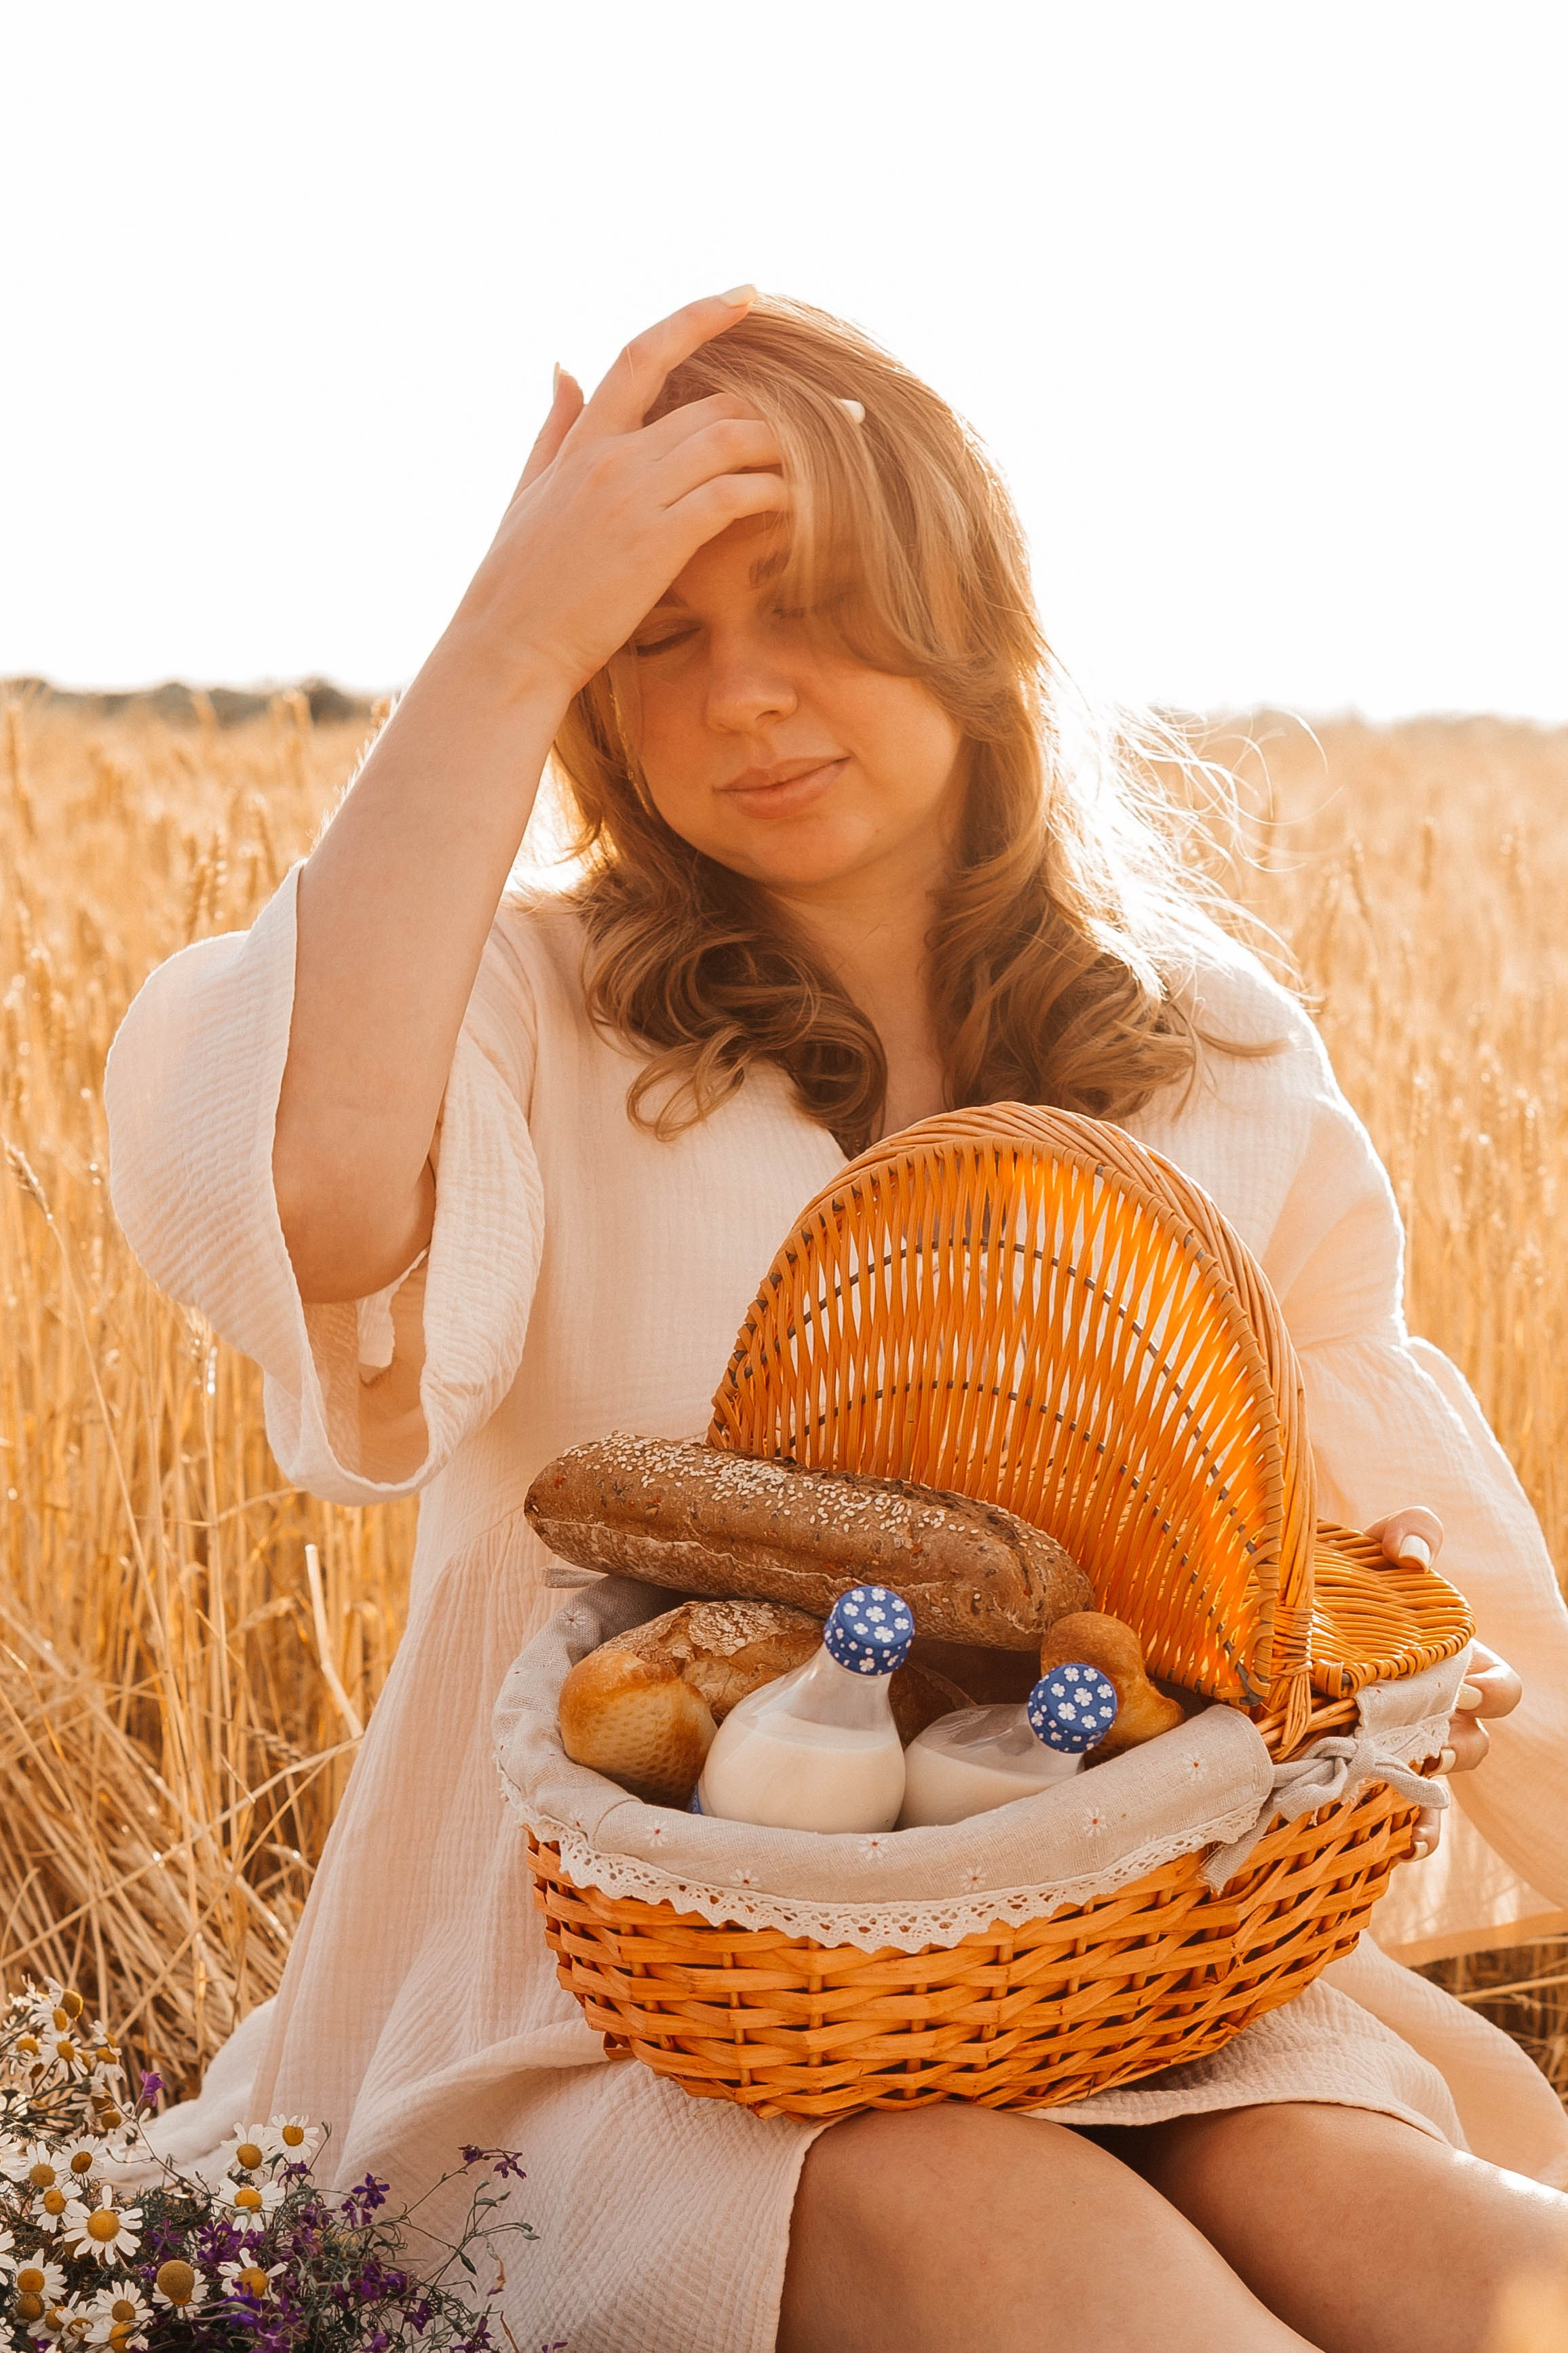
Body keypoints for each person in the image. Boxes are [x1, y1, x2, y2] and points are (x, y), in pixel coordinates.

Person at [104, 290, 1568, 2353]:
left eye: (813, 606)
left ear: (968, 616)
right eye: (655, 636)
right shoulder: (529, 1016)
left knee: (1435, 2236)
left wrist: (1395, 1696)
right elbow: (314, 1199)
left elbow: (1406, 1550)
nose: (748, 700)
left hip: (1109, 1960)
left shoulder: (1215, 1066)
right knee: (1014, 2238)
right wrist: (510, 633)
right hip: (615, 2005)